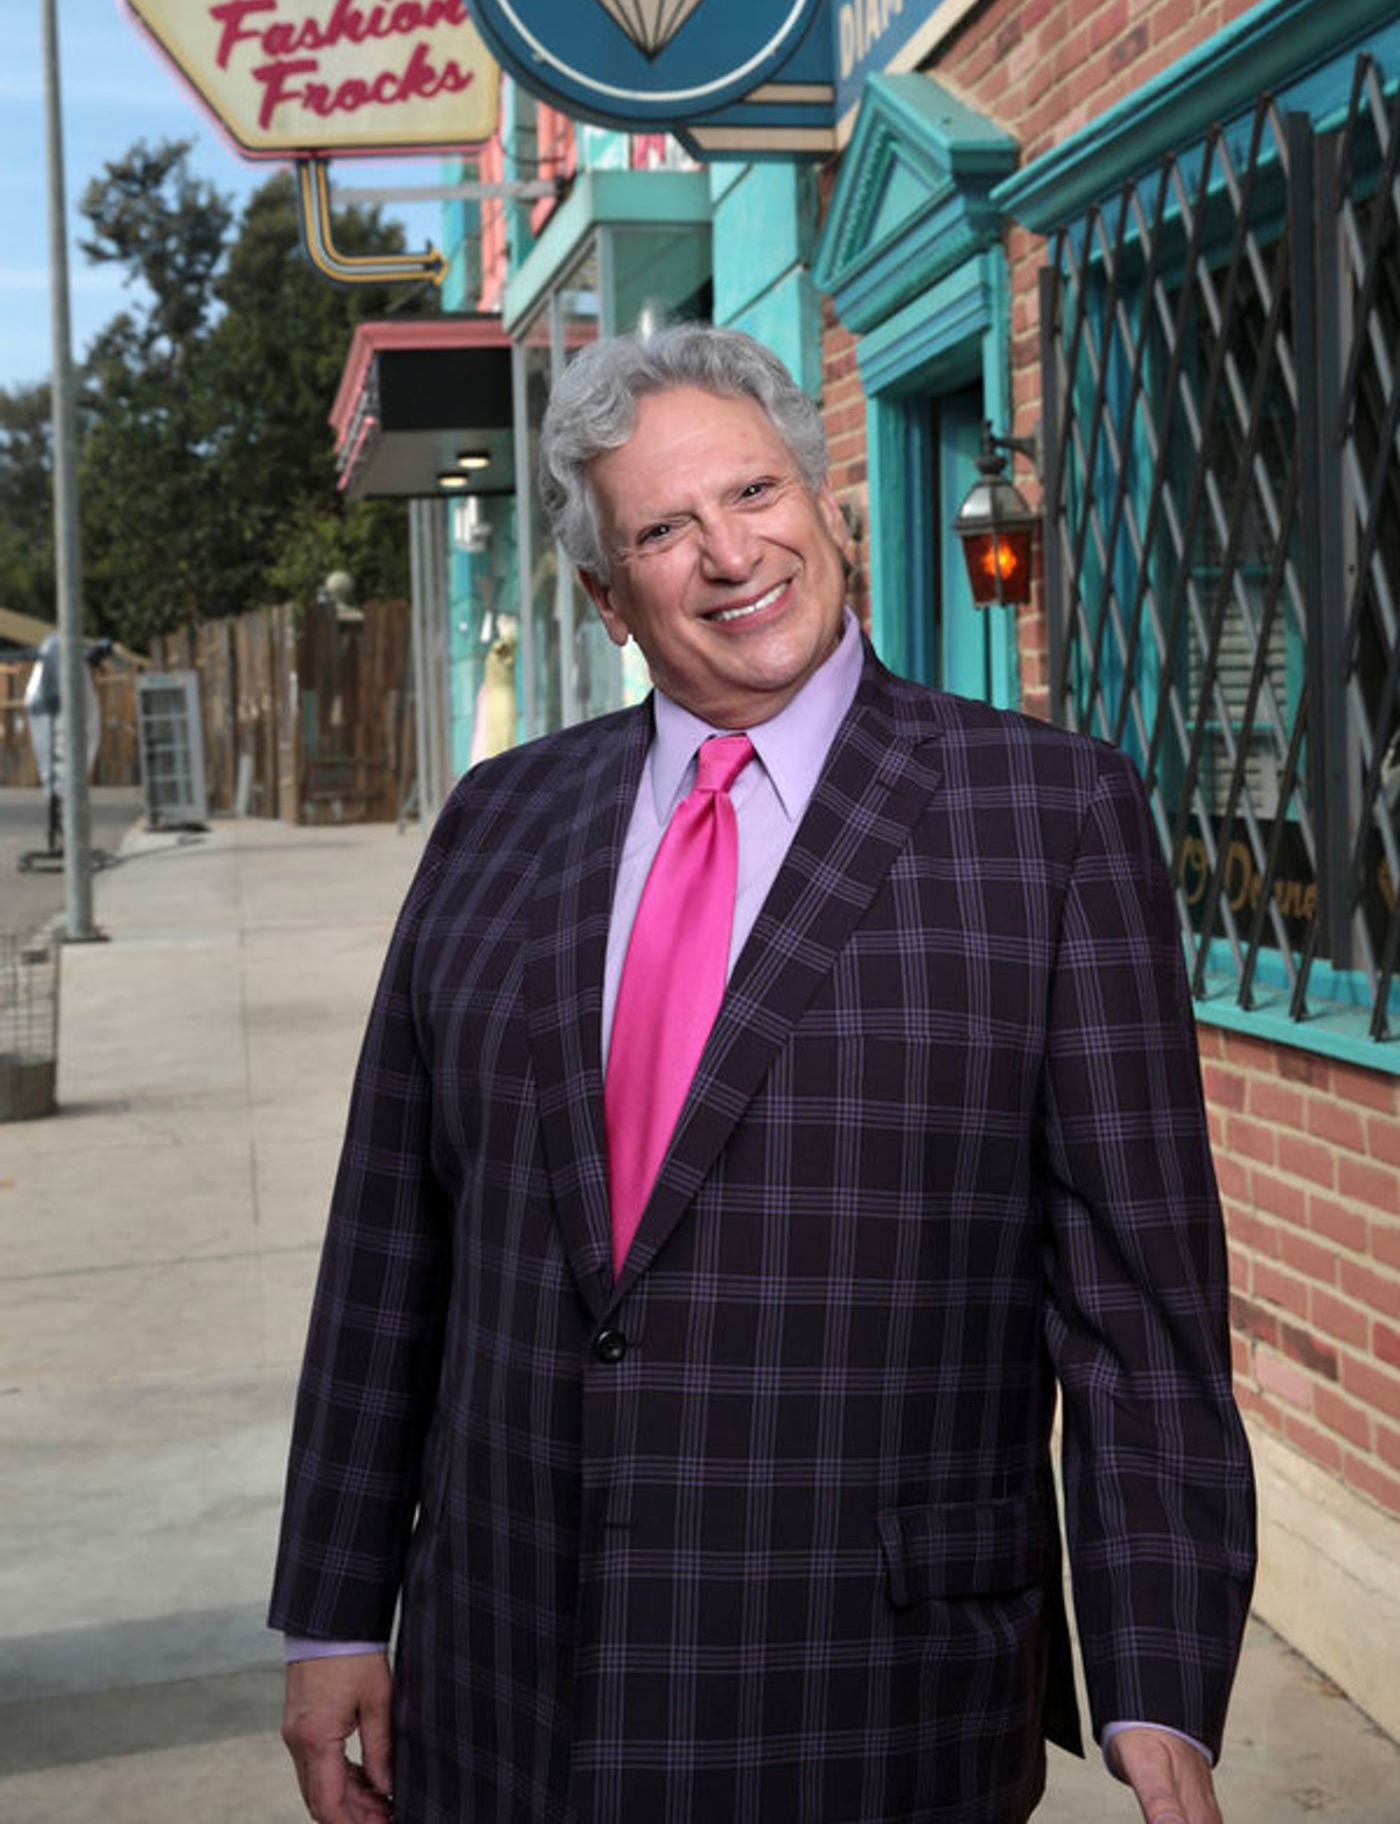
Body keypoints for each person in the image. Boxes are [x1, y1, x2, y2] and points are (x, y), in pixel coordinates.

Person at [271, 324, 1255, 1824]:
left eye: (753, 493)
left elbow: (1136, 1310)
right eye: (664, 528)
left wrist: (1156, 1679)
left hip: (867, 1699)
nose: (729, 554)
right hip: (506, 1684)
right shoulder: (497, 820)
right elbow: (390, 1245)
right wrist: (338, 1609)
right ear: (606, 594)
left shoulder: (1049, 819)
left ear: (825, 503)